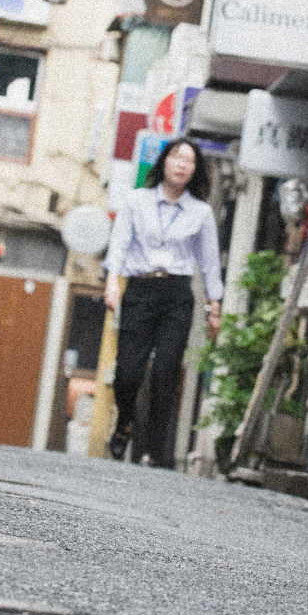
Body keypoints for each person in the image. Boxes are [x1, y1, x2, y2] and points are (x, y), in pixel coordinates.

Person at [103, 138, 224, 467]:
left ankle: (156, 446)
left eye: (189, 161)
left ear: (195, 170)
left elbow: (210, 261)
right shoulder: (136, 201)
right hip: (139, 292)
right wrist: (112, 282)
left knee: (166, 371)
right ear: (164, 162)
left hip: (177, 296)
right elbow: (119, 244)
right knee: (128, 372)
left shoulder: (200, 213)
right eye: (176, 157)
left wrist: (215, 304)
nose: (182, 165)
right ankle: (124, 423)